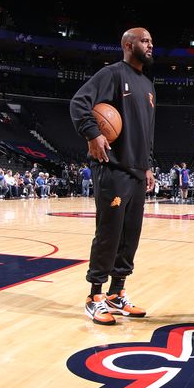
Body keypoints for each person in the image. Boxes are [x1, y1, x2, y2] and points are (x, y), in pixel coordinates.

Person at [70, 27, 156, 325]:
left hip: (136, 171)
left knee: (130, 235)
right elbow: (79, 103)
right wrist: (93, 134)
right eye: (145, 41)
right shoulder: (112, 74)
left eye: (151, 41)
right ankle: (94, 296)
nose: (150, 45)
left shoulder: (148, 84)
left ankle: (116, 293)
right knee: (109, 233)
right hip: (113, 168)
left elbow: (146, 131)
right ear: (128, 45)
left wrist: (147, 165)